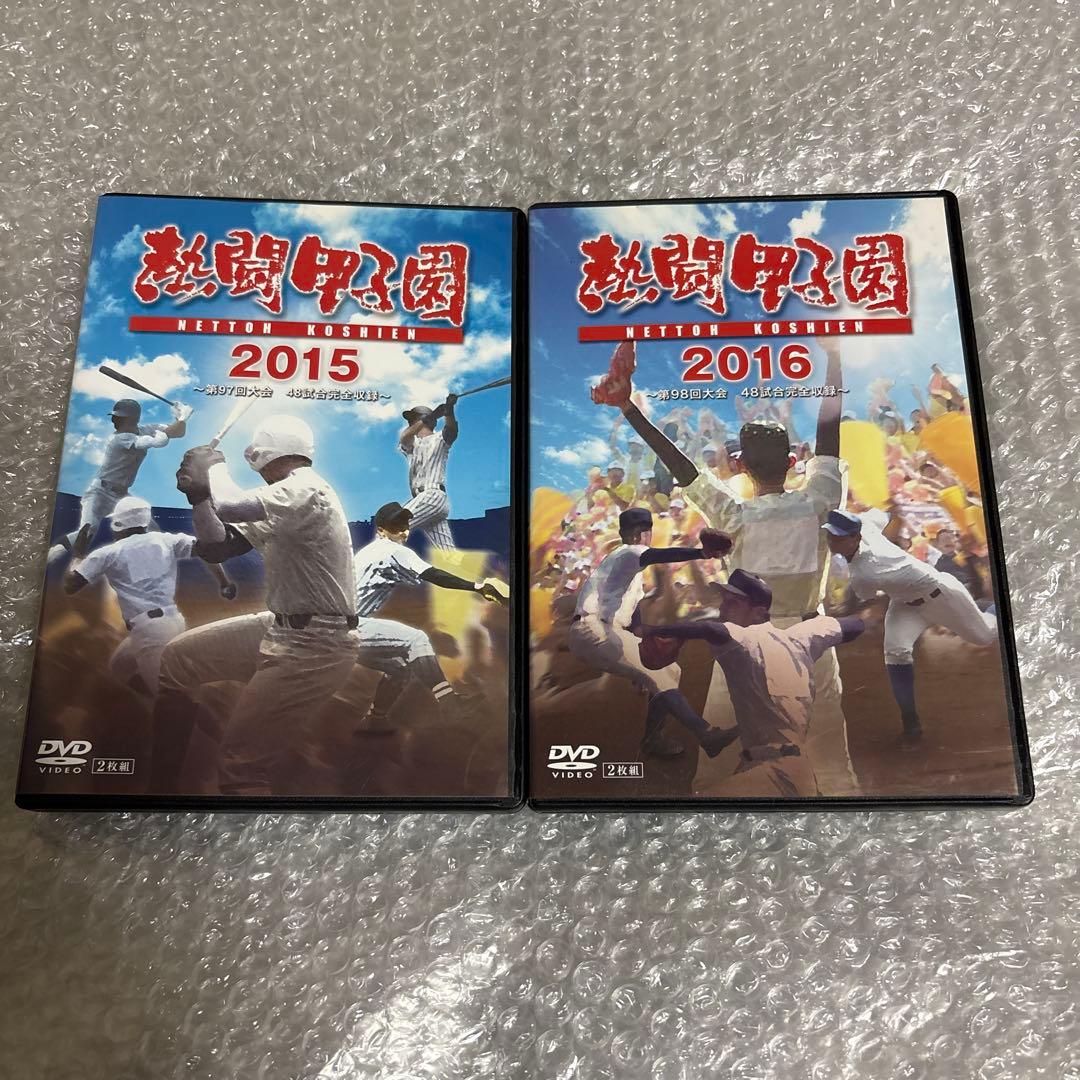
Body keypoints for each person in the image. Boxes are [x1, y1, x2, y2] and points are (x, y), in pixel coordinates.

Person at [590, 338, 858, 794]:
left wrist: (629, 409)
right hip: (810, 639)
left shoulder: (732, 513)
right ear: (793, 462)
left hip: (743, 644)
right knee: (830, 756)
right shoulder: (819, 501)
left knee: (718, 766)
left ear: (739, 464)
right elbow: (829, 436)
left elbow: (681, 467)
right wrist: (833, 359)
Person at [151, 415, 359, 795]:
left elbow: (231, 506)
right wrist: (199, 499)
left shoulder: (306, 489)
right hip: (283, 627)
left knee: (240, 767)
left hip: (317, 644)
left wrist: (212, 468)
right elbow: (218, 546)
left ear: (263, 453)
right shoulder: (283, 500)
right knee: (178, 660)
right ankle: (161, 784)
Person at [635, 570, 868, 797]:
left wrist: (654, 630)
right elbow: (855, 625)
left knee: (701, 814)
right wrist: (825, 627)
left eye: (733, 602)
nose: (723, 607)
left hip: (775, 773)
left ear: (758, 613)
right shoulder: (800, 638)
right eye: (724, 600)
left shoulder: (743, 639)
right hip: (782, 768)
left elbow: (708, 629)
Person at [567, 507, 736, 758]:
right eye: (642, 532)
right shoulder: (627, 552)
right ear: (640, 535)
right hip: (593, 630)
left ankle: (652, 740)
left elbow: (634, 624)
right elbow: (657, 555)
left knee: (671, 671)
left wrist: (638, 661)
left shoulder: (631, 576)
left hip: (606, 631)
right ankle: (706, 734)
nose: (641, 536)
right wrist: (700, 553)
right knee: (659, 675)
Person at [822, 508, 998, 743]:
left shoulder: (864, 573)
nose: (832, 540)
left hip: (942, 596)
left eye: (838, 537)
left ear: (855, 537)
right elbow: (890, 514)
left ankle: (996, 607)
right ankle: (910, 721)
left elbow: (871, 604)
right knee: (896, 651)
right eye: (830, 534)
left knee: (985, 635)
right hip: (905, 604)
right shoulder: (865, 525)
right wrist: (891, 530)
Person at [350, 501, 506, 732]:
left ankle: (375, 721)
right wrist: (477, 587)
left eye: (405, 525)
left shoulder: (369, 552)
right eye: (396, 527)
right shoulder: (392, 550)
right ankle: (452, 706)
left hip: (338, 628)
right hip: (347, 627)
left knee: (399, 666)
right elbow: (433, 575)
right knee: (417, 640)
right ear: (381, 530)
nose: (403, 532)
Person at [62, 495, 234, 696]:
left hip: (149, 632)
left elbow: (70, 586)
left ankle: (173, 703)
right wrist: (224, 582)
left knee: (170, 695)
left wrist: (77, 555)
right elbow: (207, 552)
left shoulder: (108, 553)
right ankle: (161, 693)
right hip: (173, 621)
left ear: (118, 524)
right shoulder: (167, 540)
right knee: (119, 668)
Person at [47, 397, 192, 564]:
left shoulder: (146, 429)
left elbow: (177, 432)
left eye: (120, 417)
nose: (115, 421)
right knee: (88, 530)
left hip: (121, 496)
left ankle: (153, 567)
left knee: (151, 529)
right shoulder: (119, 438)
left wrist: (179, 418)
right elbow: (158, 441)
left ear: (134, 419)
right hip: (99, 492)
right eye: (115, 417)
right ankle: (51, 556)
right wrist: (182, 418)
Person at [399, 394, 459, 550]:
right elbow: (404, 437)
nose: (410, 422)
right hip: (424, 500)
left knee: (392, 527)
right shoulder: (413, 443)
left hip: (433, 495)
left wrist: (449, 410)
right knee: (449, 554)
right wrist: (430, 417)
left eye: (413, 419)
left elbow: (451, 431)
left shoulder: (439, 439)